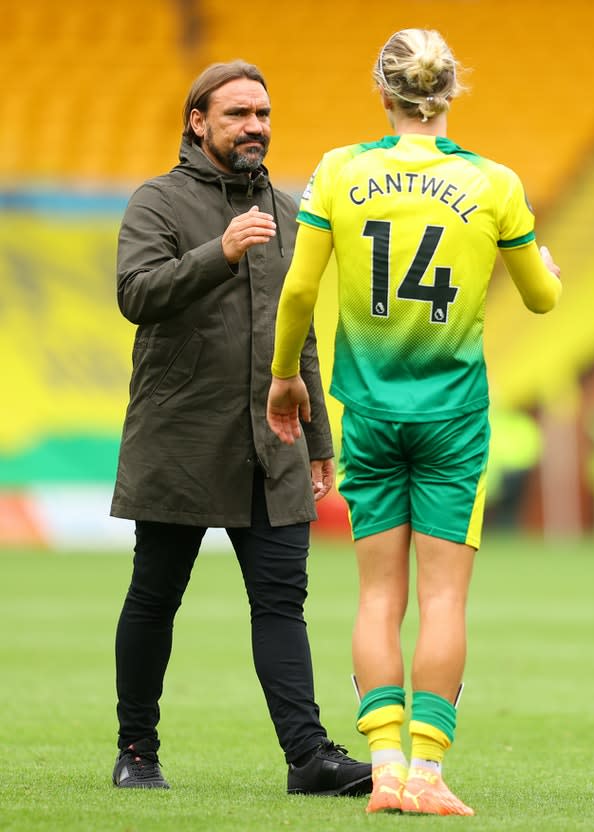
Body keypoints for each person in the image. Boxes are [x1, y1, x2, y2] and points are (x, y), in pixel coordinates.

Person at [267, 28, 561, 816]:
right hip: (453, 418)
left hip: (367, 410)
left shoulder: (339, 170)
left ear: (383, 92)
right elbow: (540, 298)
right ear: (450, 92)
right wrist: (552, 272)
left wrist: (284, 377)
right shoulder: (494, 183)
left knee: (375, 599)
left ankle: (386, 765)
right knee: (444, 601)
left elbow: (296, 296)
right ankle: (428, 774)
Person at [109, 60, 372, 797]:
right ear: (198, 121)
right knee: (155, 596)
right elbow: (135, 295)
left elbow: (303, 335)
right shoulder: (156, 202)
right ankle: (137, 749)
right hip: (181, 438)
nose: (255, 126)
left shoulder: (292, 213)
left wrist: (320, 444)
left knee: (283, 600)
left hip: (274, 444)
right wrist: (216, 252)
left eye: (262, 113)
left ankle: (309, 757)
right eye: (237, 114)